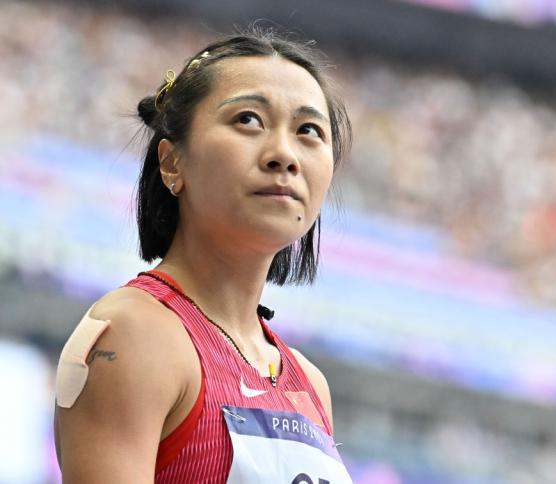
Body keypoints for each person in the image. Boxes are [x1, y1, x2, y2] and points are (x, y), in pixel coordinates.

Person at [54, 27, 353, 483]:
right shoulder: (135, 333)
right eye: (248, 120)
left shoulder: (310, 384)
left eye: (308, 131)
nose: (284, 155)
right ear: (172, 162)